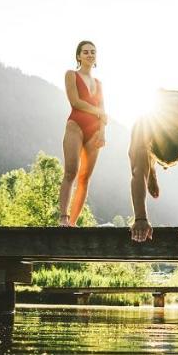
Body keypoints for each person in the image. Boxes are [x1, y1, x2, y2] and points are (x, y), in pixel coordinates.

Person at [128, 89, 178, 245]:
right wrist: (140, 218)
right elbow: (138, 173)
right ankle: (152, 173)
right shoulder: (144, 124)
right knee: (141, 162)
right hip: (156, 105)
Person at [58, 40, 107, 226]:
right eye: (85, 52)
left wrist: (102, 132)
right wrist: (98, 112)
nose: (89, 54)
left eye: (92, 52)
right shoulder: (71, 75)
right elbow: (75, 101)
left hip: (95, 132)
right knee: (71, 171)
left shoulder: (99, 83)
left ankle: (73, 223)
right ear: (78, 56)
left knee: (85, 178)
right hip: (75, 126)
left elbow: (103, 109)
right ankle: (64, 218)